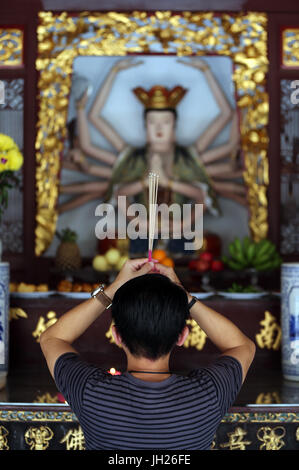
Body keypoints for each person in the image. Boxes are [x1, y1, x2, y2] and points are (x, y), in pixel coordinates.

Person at [40, 258, 255, 450]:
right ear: (183, 336)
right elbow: (243, 347)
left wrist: (113, 289)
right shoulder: (208, 395)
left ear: (117, 336)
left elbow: (51, 339)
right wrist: (184, 296)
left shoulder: (92, 393)